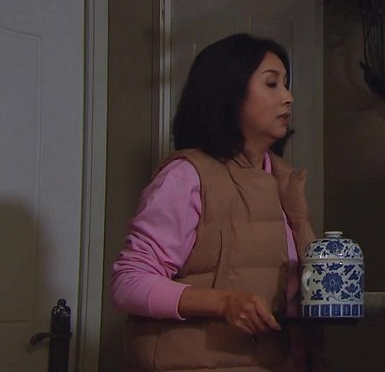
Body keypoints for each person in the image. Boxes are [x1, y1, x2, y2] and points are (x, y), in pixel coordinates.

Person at [111, 33, 321, 372]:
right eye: (271, 84)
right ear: (229, 92)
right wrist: (223, 302)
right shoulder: (186, 176)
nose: (288, 97)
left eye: (286, 84)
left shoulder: (285, 182)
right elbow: (129, 282)